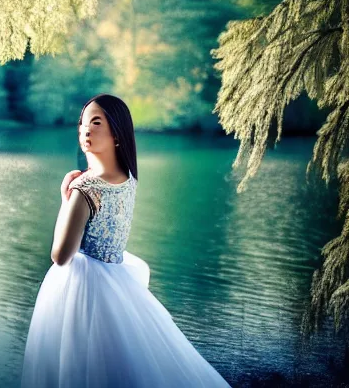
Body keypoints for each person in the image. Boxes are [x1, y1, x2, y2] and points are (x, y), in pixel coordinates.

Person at [20, 93, 232, 388]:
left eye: (96, 123)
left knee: (79, 367)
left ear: (117, 134)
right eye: (82, 124)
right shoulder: (128, 178)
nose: (85, 131)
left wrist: (65, 200)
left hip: (81, 288)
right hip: (116, 282)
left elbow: (61, 256)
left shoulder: (86, 188)